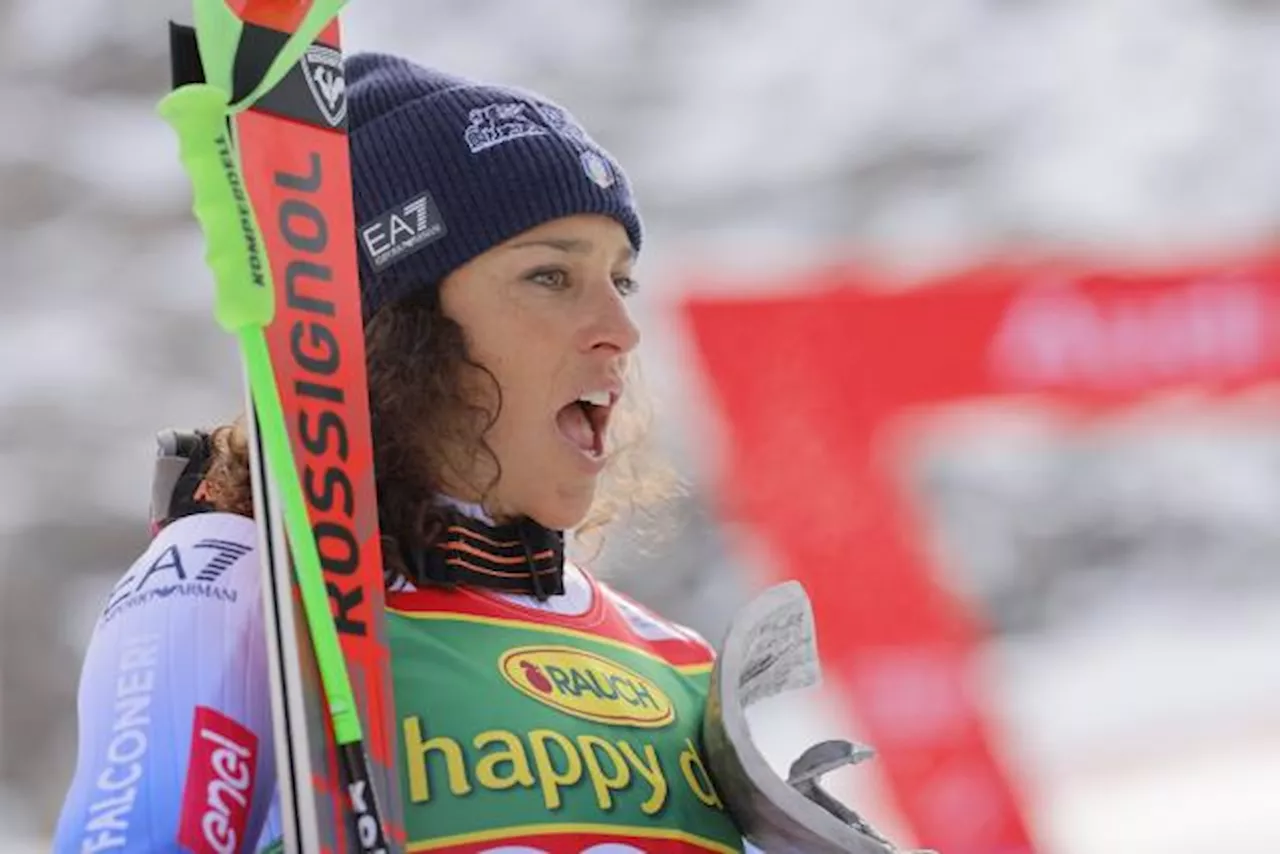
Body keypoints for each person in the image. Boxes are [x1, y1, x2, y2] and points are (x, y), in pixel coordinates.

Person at [53, 52, 747, 853]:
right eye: (551, 276)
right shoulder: (240, 589)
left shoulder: (682, 664)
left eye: (620, 281)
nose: (622, 331)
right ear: (398, 333)